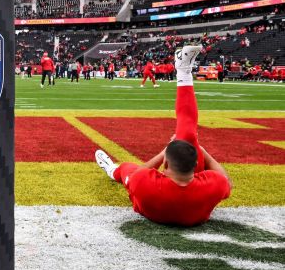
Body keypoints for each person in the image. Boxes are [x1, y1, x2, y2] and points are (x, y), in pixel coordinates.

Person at [95, 46, 232, 226]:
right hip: (193, 200)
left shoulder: (145, 184)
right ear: (197, 166)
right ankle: (183, 71)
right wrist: (201, 151)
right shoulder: (213, 185)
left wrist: (164, 152)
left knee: (127, 168)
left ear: (165, 163)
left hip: (153, 200)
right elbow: (226, 182)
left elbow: (140, 173)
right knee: (188, 136)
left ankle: (112, 170)